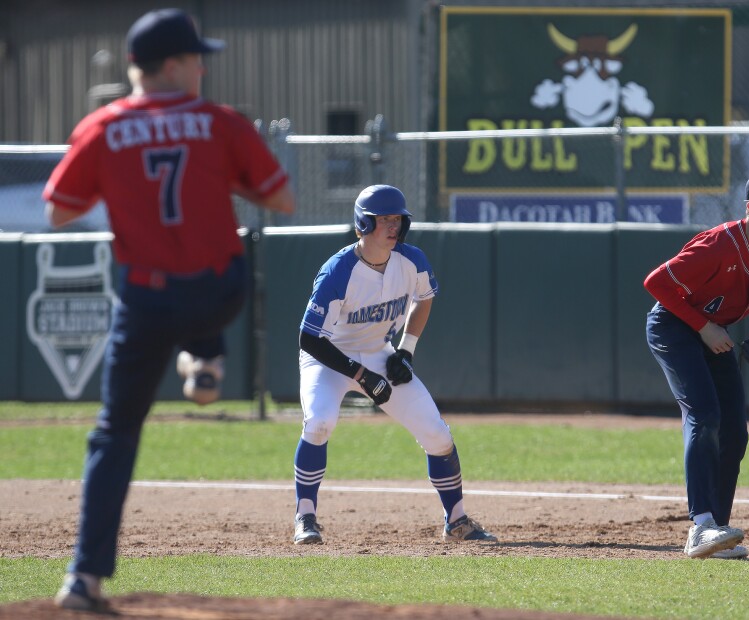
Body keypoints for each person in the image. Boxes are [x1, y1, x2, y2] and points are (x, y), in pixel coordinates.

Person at [44, 8, 295, 611]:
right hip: (216, 290)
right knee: (227, 264)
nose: (203, 67)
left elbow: (57, 210)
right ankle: (205, 357)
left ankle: (83, 579)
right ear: (175, 64)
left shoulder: (103, 126)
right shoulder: (219, 122)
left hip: (145, 299)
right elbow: (282, 199)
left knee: (114, 433)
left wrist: (121, 187)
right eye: (196, 57)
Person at [293, 184, 496, 545]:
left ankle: (457, 521)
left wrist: (406, 351)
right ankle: (305, 516)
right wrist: (360, 375)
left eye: (397, 218)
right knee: (320, 422)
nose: (392, 225)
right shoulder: (337, 271)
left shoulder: (412, 260)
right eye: (383, 219)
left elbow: (425, 298)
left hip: (378, 351)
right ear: (363, 224)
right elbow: (310, 339)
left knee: (437, 434)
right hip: (328, 358)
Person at [643, 167, 749, 560]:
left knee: (735, 431)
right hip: (675, 327)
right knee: (705, 415)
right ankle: (700, 526)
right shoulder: (719, 245)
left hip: (714, 331)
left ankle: (718, 531)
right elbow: (656, 283)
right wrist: (703, 327)